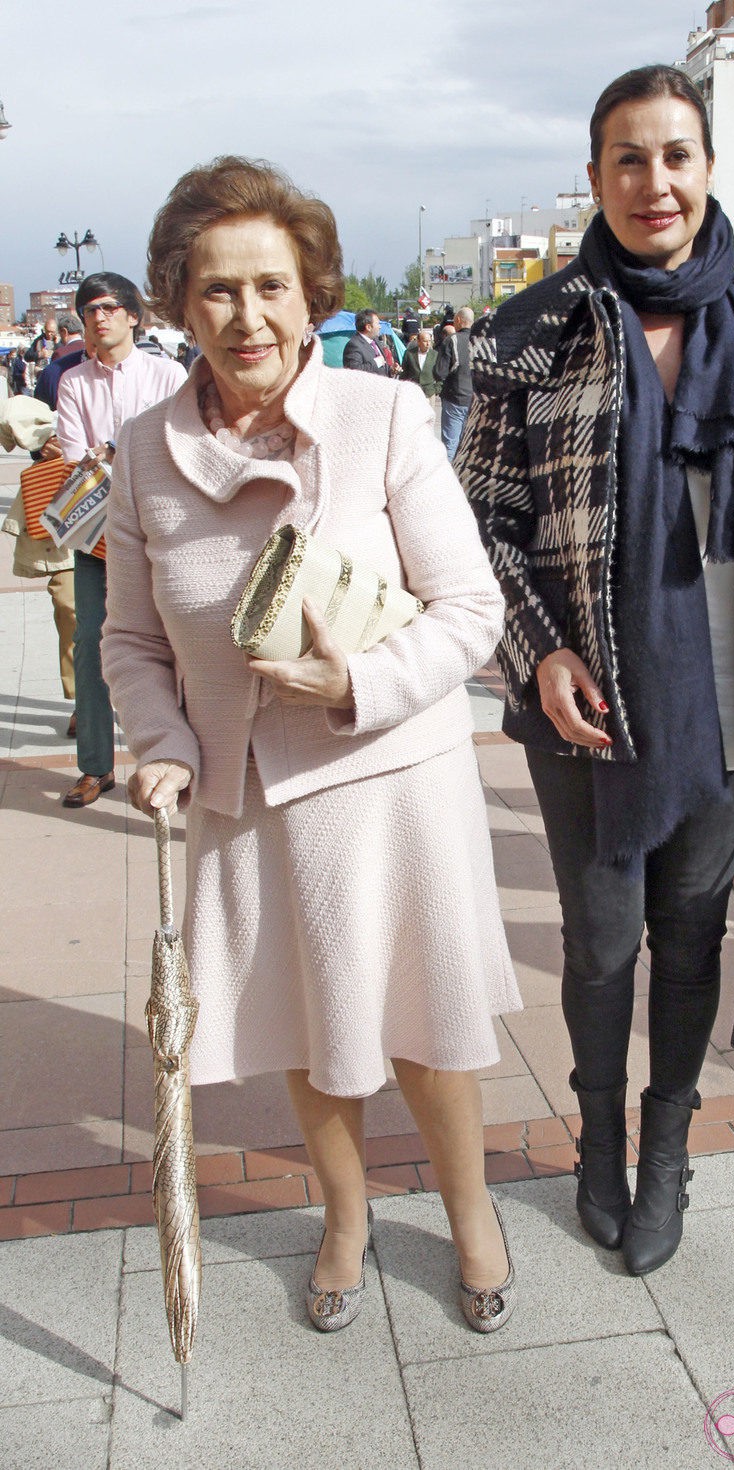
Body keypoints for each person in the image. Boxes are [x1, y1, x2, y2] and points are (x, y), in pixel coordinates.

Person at [101, 155, 521, 1335]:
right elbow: (129, 639)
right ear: (179, 303)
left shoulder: (384, 413)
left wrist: (358, 681)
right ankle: (344, 1218)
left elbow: (470, 612)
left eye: (273, 287)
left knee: (430, 1028)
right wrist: (161, 740)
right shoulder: (140, 450)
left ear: (312, 294)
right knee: (304, 1027)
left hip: (392, 775)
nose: (250, 317)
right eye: (219, 290)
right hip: (243, 794)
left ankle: (468, 1213)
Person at [456, 64, 734, 1277]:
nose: (652, 181)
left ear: (707, 170)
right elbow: (481, 524)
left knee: (688, 940)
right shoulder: (532, 333)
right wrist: (540, 652)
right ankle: (596, 1144)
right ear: (593, 179)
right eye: (627, 158)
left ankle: (666, 1150)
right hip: (586, 711)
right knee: (597, 944)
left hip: (731, 709)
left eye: (674, 155)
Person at [56, 271, 185, 808]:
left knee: (178, 644)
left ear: (134, 315)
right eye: (88, 310)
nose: (98, 316)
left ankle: (178, 760)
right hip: (98, 538)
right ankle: (95, 767)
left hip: (162, 531)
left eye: (108, 307)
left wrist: (111, 452)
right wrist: (119, 452)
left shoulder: (167, 374)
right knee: (91, 645)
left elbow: (177, 441)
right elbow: (72, 454)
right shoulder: (73, 382)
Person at [0, 397, 76, 725]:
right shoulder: (67, 373)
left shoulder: (157, 372)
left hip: (129, 512)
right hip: (69, 504)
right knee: (71, 610)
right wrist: (43, 444)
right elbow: (26, 417)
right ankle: (84, 702)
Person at [435, 307, 474, 459]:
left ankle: (448, 480)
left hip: (455, 398)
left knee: (451, 445)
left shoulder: (452, 340)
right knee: (469, 446)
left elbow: (440, 372)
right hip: (476, 400)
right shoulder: (482, 340)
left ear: (458, 320)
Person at [400, 326, 439, 398]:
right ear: (418, 342)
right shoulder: (409, 354)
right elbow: (404, 373)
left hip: (429, 393)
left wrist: (436, 389)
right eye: (425, 341)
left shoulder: (435, 355)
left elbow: (439, 374)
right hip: (413, 392)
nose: (428, 344)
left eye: (429, 341)